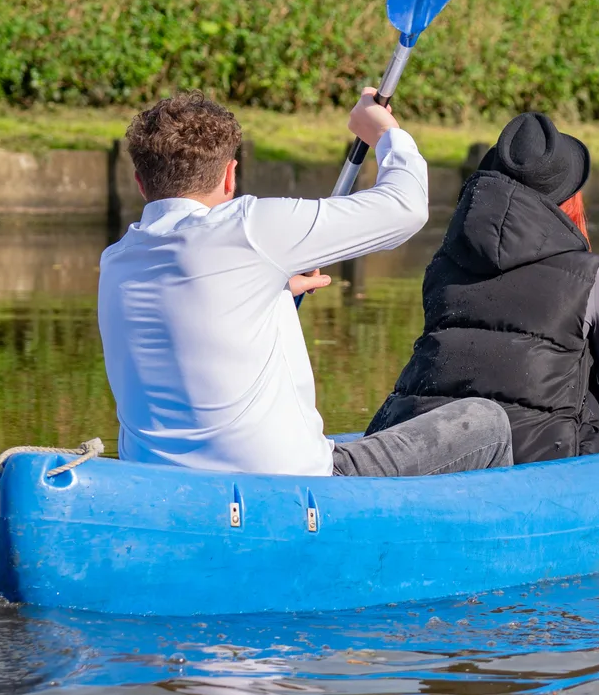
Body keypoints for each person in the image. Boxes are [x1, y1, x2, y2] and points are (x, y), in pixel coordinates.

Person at [98, 90, 513, 477]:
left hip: (160, 482)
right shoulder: (248, 227)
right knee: (487, 421)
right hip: (295, 487)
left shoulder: (116, 261)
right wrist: (386, 133)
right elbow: (405, 208)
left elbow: (195, 316)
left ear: (139, 182)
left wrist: (273, 289)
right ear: (230, 176)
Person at [366, 112, 599, 464]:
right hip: (537, 454)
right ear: (570, 198)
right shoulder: (591, 277)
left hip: (413, 431)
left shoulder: (442, 263)